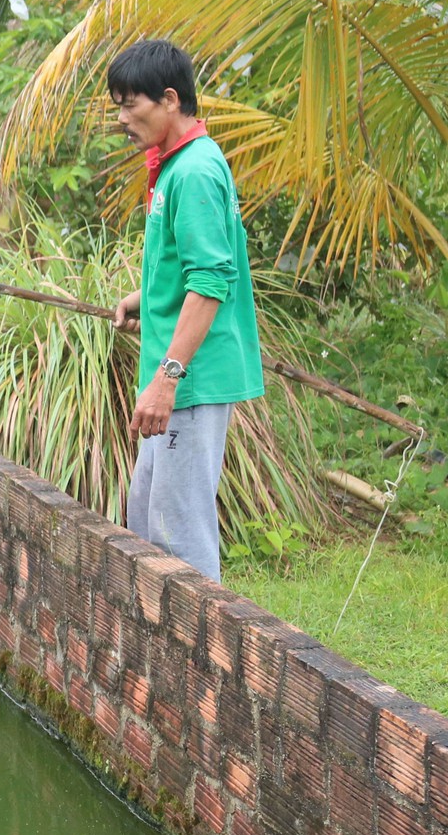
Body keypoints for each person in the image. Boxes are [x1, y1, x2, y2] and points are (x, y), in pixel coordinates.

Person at [106, 39, 262, 582]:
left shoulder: (193, 171)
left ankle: (208, 664)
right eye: (119, 106)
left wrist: (167, 380)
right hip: (179, 377)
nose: (123, 118)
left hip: (191, 381)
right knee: (147, 525)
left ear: (169, 99)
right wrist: (143, 300)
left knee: (181, 541)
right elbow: (188, 270)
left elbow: (212, 282)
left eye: (132, 104)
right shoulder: (175, 166)